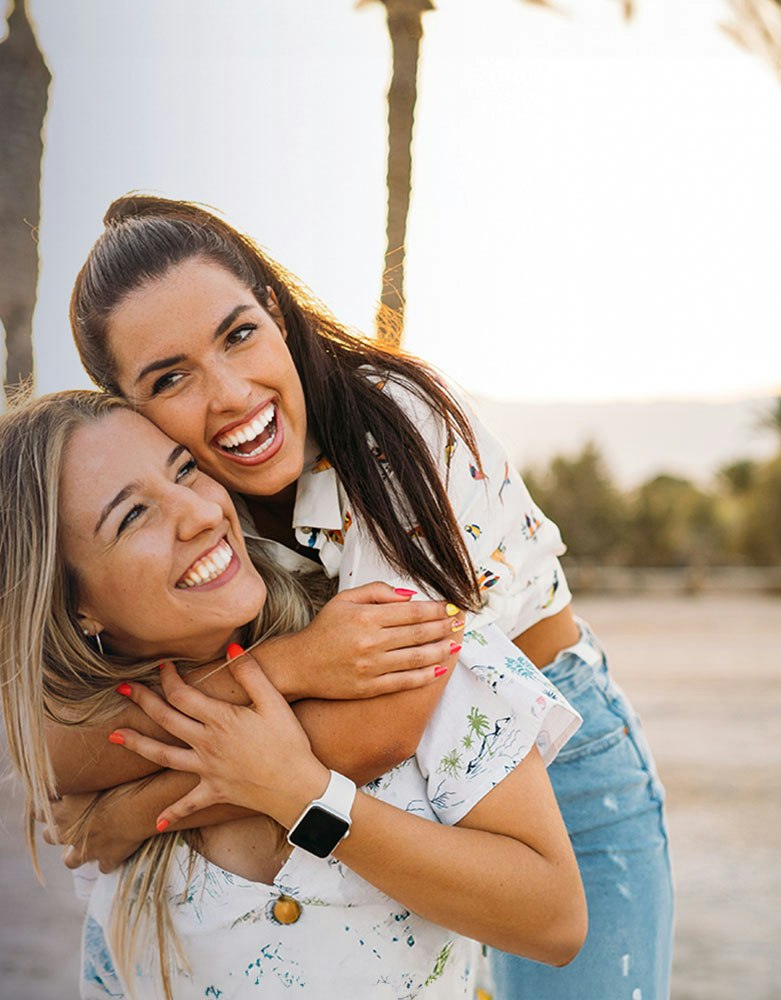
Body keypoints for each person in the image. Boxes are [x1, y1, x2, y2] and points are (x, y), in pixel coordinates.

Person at [62, 195, 674, 999]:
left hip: (559, 760)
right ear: (126, 406)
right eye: (171, 377)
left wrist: (129, 815)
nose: (230, 393)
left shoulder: (398, 429)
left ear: (276, 312)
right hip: (396, 794)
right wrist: (295, 670)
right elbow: (66, 744)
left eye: (239, 334)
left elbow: (383, 721)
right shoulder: (189, 497)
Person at [0, 390, 585, 999]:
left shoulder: (393, 642)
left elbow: (554, 921)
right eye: (133, 516)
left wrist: (309, 799)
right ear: (74, 608)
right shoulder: (99, 788)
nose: (200, 513)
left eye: (186, 469)